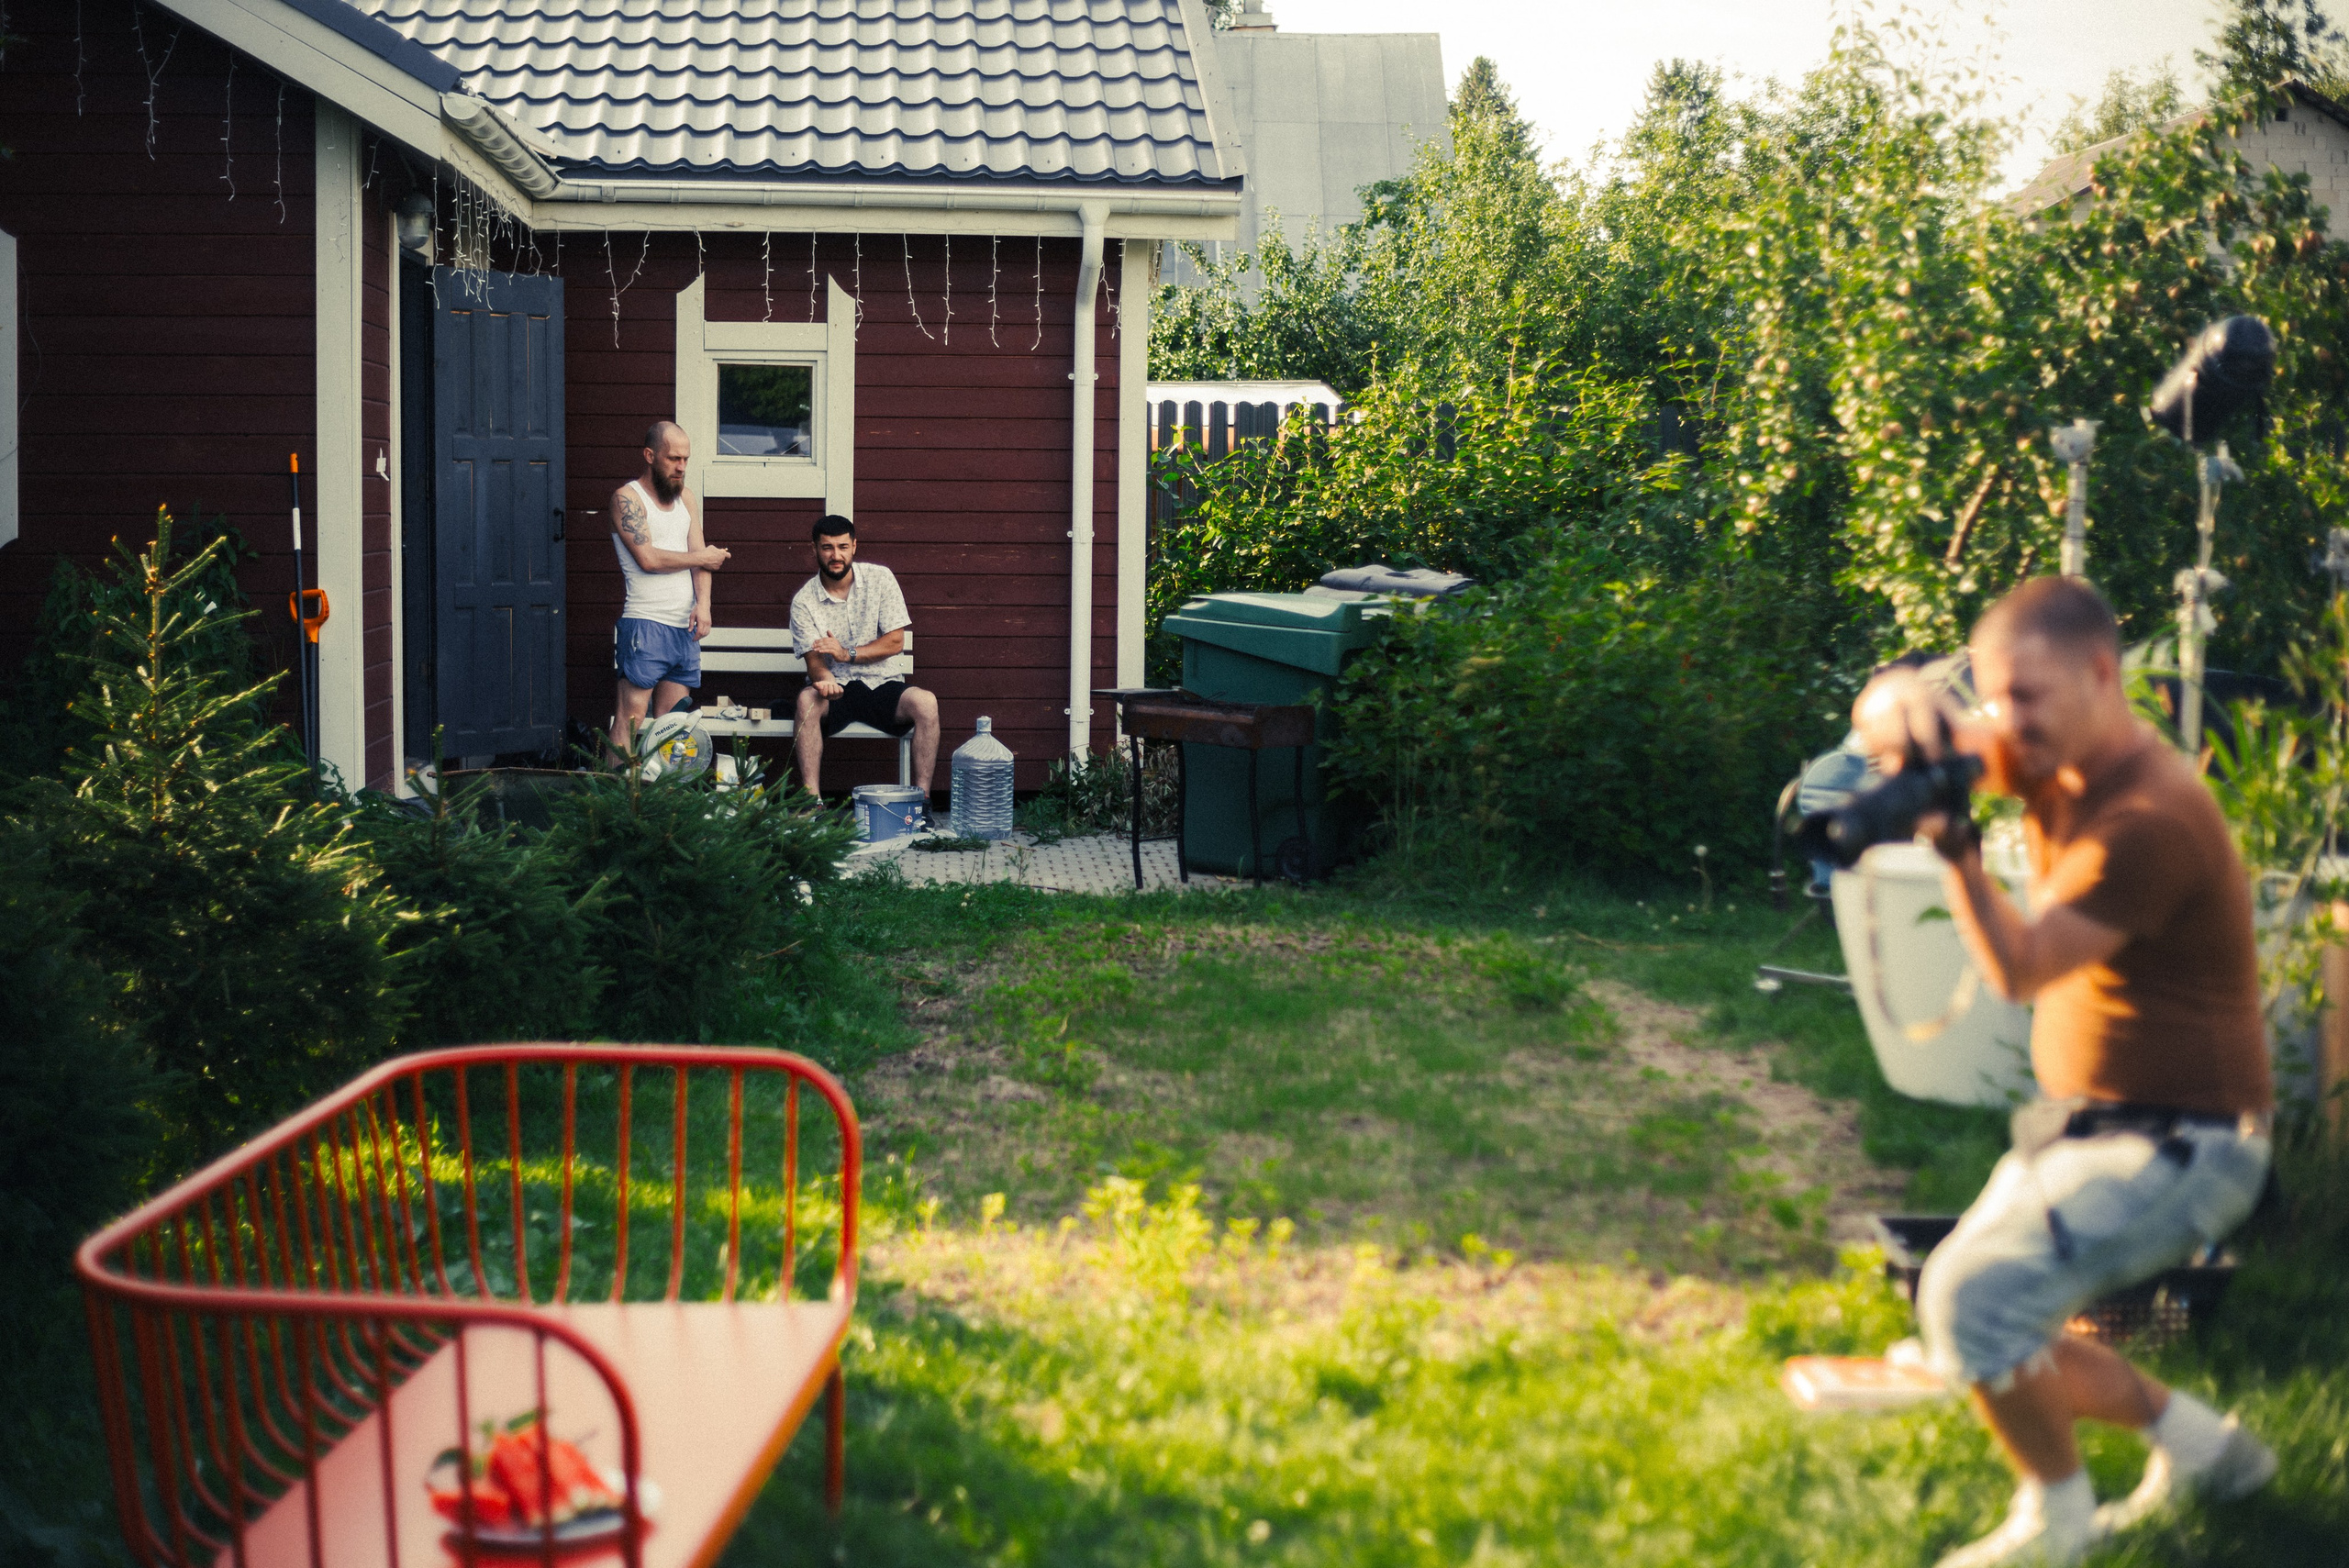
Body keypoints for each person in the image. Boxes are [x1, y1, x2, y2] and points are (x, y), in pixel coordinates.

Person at [1853, 575, 2276, 1568]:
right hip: (2096, 1123)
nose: (2006, 721)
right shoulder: (2053, 750)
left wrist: (1954, 850)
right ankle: (2208, 1450)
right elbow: (1883, 711)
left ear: (2099, 674)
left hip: (2189, 1145)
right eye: (1993, 697)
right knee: (1979, 1315)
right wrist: (1904, 701)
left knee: (1968, 1302)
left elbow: (2018, 967)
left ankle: (2057, 1520)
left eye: (2026, 696)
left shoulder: (2149, 816)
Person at [789, 514, 940, 807]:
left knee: (927, 702)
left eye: (843, 547)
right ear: (815, 549)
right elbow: (814, 662)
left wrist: (847, 654)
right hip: (837, 690)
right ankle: (812, 803)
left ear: (855, 546)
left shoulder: (880, 579)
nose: (836, 555)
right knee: (806, 701)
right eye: (828, 547)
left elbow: (895, 642)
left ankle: (921, 801)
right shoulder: (804, 601)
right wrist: (825, 680)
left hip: (882, 683)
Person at [608, 421, 729, 762]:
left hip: (684, 629)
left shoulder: (686, 498)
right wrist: (702, 557)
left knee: (673, 725)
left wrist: (703, 605)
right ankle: (618, 804)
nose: (681, 467)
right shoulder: (627, 498)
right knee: (630, 721)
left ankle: (665, 807)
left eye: (686, 459)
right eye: (674, 458)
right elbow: (647, 558)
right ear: (650, 455)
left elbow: (701, 560)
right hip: (645, 623)